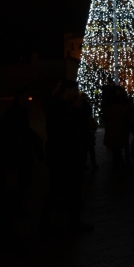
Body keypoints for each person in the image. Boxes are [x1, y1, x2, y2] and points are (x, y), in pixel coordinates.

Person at [39, 80, 93, 233]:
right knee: (58, 189)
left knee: (69, 189)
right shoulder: (57, 106)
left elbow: (85, 115)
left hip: (71, 153)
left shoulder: (71, 104)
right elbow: (59, 127)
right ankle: (47, 223)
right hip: (61, 153)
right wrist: (73, 109)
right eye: (74, 90)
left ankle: (70, 221)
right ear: (67, 90)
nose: (76, 93)